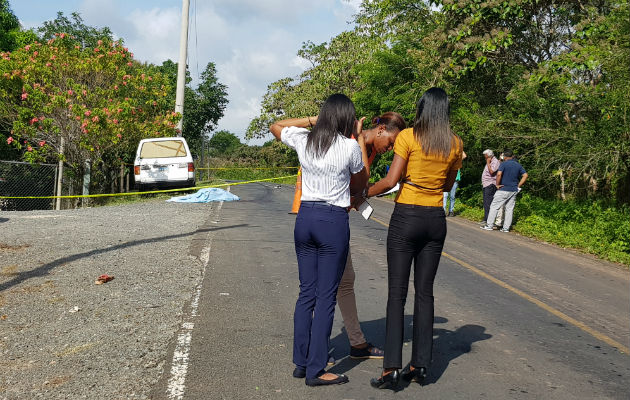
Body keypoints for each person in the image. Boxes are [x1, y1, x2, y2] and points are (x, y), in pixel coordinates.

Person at [362, 88, 464, 389]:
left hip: (406, 215)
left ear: (421, 108)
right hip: (435, 219)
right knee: (425, 293)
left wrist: (362, 193)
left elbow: (391, 180)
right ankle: (420, 365)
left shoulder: (408, 137)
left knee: (397, 294)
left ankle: (390, 368)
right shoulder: (455, 144)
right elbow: (446, 186)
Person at [269, 94, 368, 386]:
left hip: (305, 217)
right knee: (326, 296)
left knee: (306, 293)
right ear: (348, 119)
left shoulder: (306, 140)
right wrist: (360, 138)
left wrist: (313, 120)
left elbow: (276, 126)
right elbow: (361, 182)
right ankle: (316, 370)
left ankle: (301, 362)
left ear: (324, 116)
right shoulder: (349, 146)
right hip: (332, 221)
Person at [337, 112, 406, 362]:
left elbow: (359, 187)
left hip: (337, 217)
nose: (390, 149)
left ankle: (357, 343)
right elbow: (362, 182)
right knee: (326, 284)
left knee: (345, 281)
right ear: (380, 131)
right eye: (389, 142)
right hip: (324, 219)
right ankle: (316, 350)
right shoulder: (348, 140)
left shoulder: (368, 148)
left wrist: (359, 197)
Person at [481, 149, 528, 232]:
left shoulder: (503, 164)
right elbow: (525, 175)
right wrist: (518, 186)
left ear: (505, 157)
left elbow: (499, 174)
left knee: (494, 207)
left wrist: (497, 184)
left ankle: (489, 225)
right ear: (512, 156)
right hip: (513, 190)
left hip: (503, 189)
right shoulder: (518, 165)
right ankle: (506, 228)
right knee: (509, 209)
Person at [443, 151, 466, 216]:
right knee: (445, 196)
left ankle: (451, 211)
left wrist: (459, 146)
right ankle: (443, 210)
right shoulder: (447, 160)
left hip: (455, 180)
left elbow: (464, 155)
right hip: (446, 179)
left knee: (452, 196)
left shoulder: (457, 161)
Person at [481, 149, 500, 225]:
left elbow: (492, 172)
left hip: (490, 184)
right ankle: (486, 218)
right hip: (486, 184)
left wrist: (488, 163)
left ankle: (488, 220)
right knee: (486, 202)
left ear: (489, 156)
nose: (484, 157)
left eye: (485, 156)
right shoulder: (490, 161)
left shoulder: (495, 162)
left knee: (488, 202)